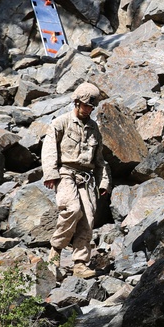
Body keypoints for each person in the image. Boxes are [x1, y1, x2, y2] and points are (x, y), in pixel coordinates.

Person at [41, 81, 111, 281]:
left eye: (92, 106)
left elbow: (99, 160)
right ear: (77, 102)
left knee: (88, 218)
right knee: (72, 209)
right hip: (65, 174)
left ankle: (80, 264)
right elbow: (49, 149)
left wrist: (104, 182)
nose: (89, 109)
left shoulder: (94, 128)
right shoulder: (61, 123)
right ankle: (56, 249)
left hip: (87, 178)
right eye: (87, 105)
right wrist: (51, 173)